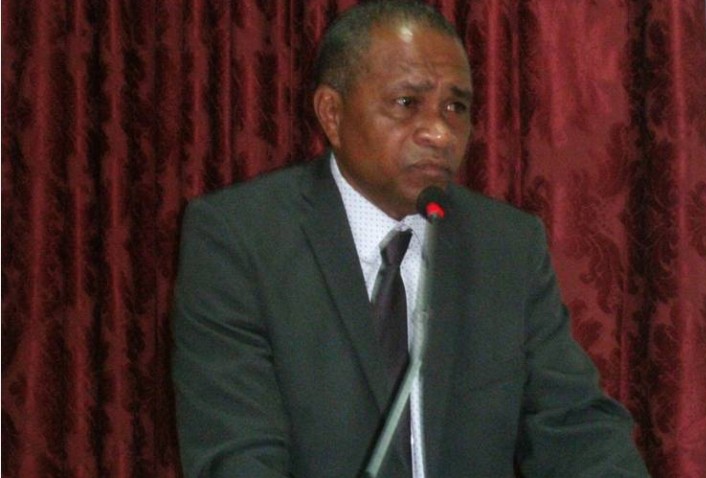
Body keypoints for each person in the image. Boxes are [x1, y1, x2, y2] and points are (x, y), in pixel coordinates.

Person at [171, 1, 650, 477]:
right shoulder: (241, 239)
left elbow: (575, 426)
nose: (440, 133)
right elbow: (236, 453)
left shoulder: (506, 246)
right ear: (332, 114)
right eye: (407, 103)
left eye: (455, 107)